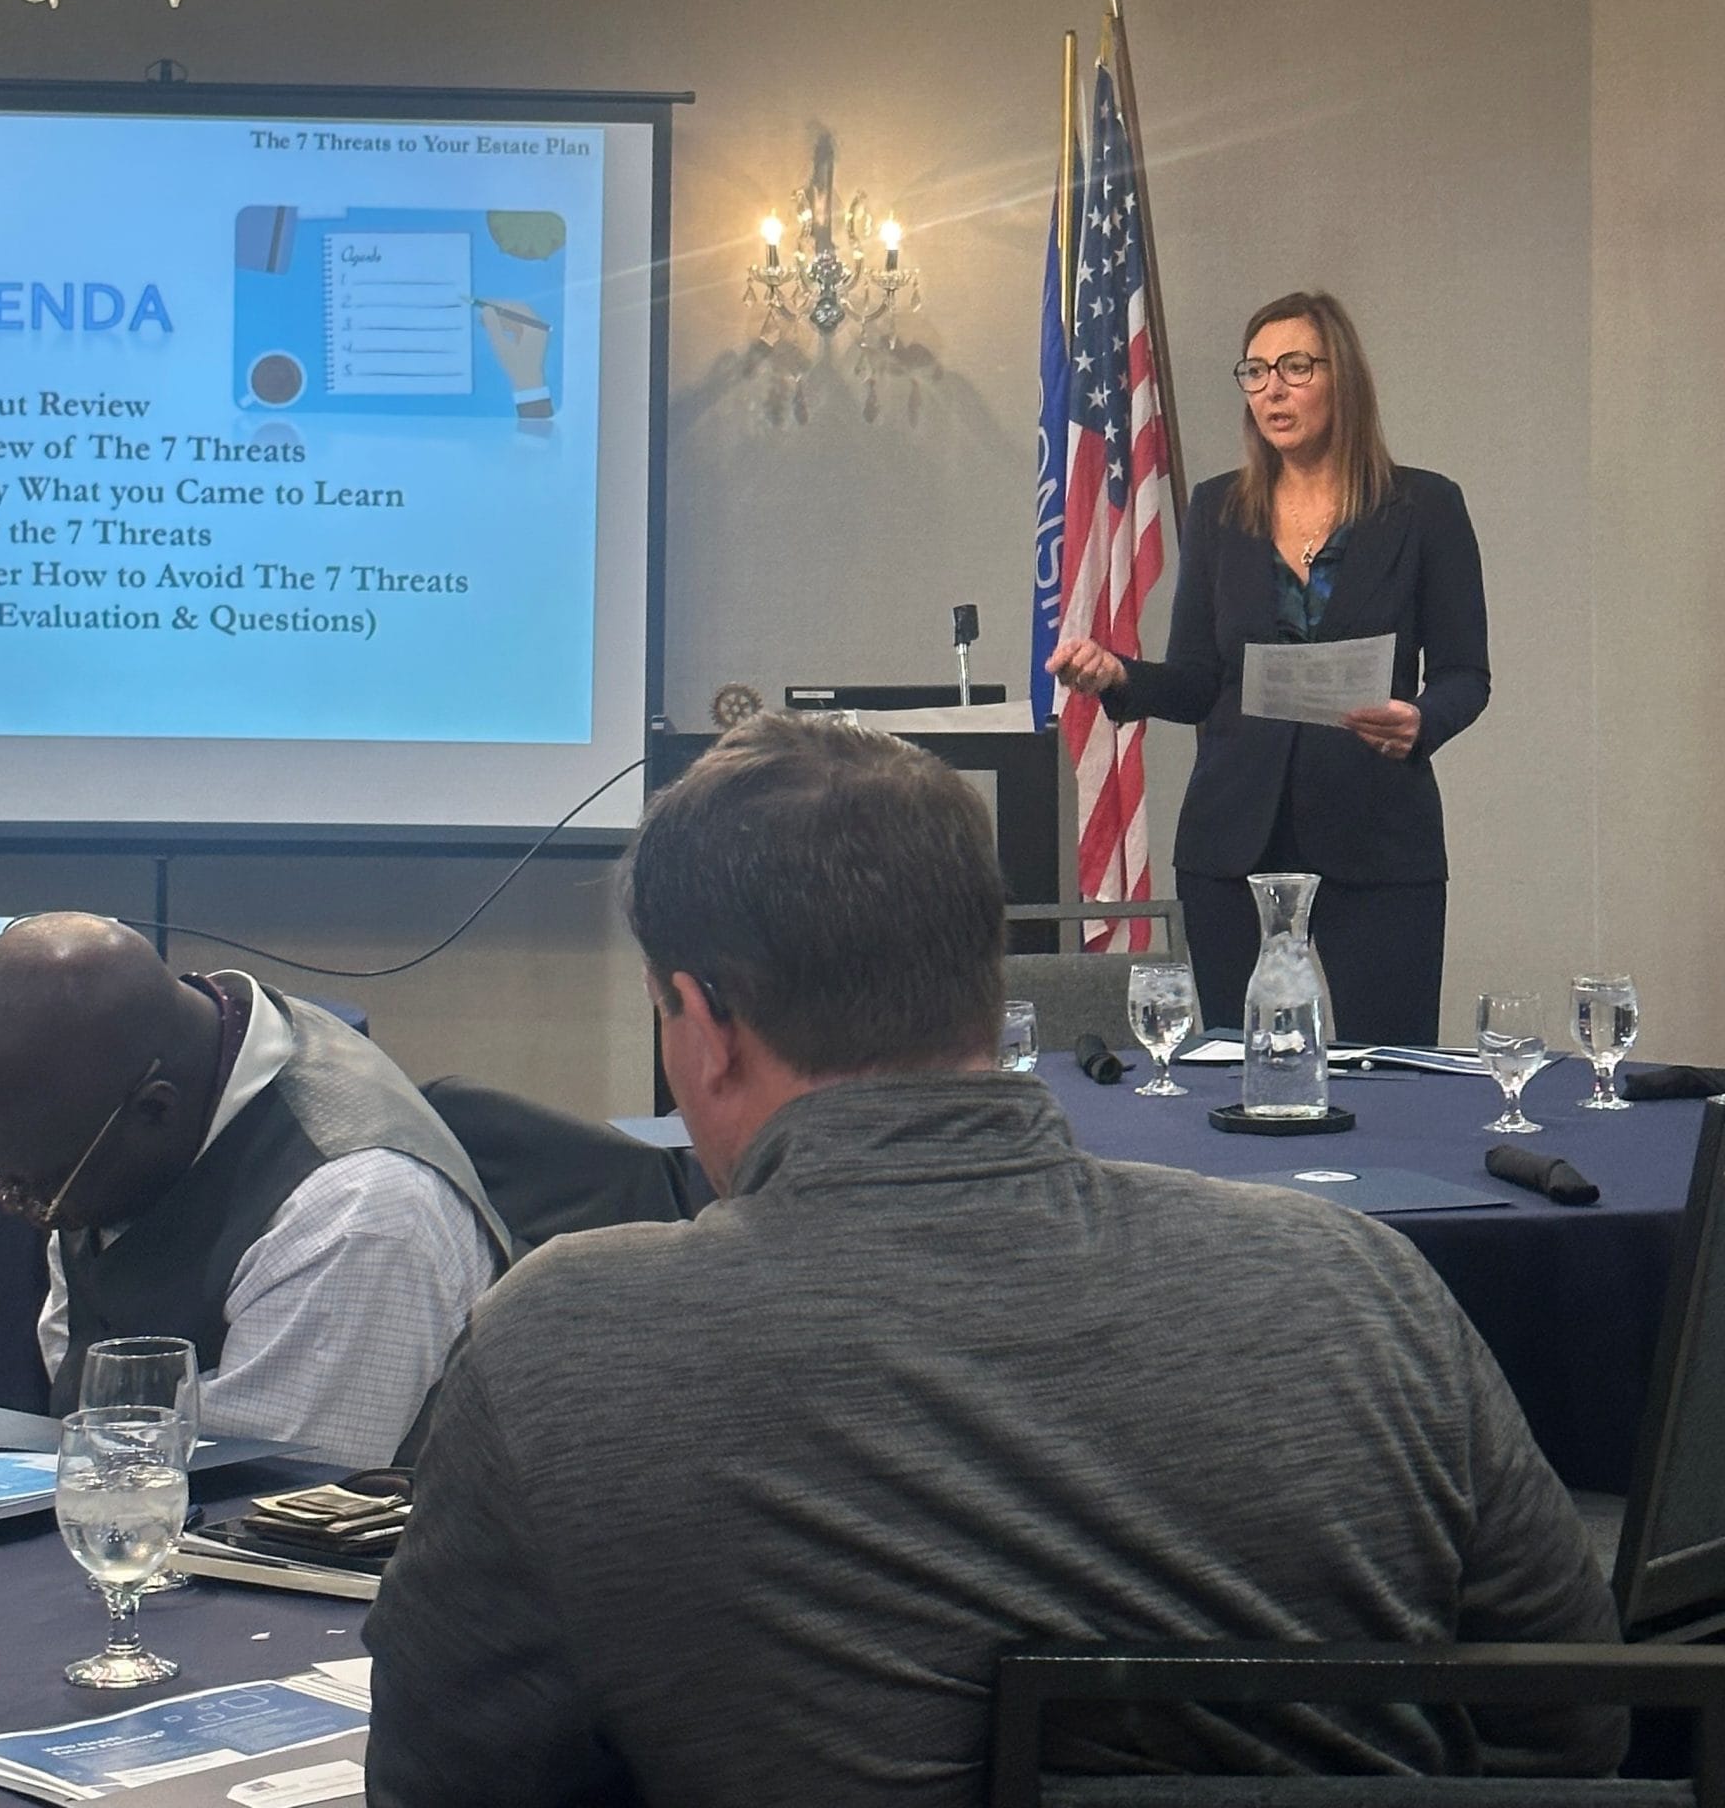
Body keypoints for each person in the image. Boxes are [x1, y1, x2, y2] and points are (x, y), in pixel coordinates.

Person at [364, 714, 1617, 1807]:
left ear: (703, 1022)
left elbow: (446, 1782)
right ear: (984, 976)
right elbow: (1579, 1728)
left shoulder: (564, 1348)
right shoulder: (1365, 1287)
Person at [1050, 289, 1487, 1044]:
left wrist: (1421, 721)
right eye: (1255, 372)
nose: (1272, 390)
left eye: (1295, 367)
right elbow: (1197, 680)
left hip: (1377, 830)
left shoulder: (1425, 507)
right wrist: (1120, 676)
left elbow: (1465, 674)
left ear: (1342, 377)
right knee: (1241, 1070)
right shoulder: (1220, 508)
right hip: (1232, 838)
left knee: (1389, 1070)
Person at [0, 914, 510, 1465]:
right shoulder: (116, 1111)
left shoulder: (357, 1213)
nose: (19, 1208)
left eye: (42, 1191)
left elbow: (276, 1486)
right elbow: (79, 1367)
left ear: (155, 1109)